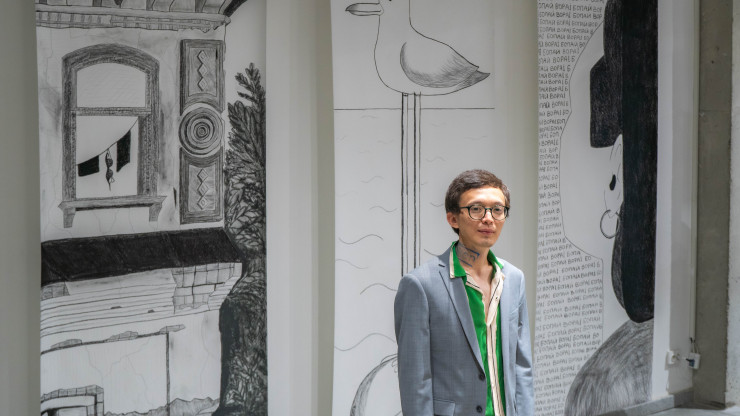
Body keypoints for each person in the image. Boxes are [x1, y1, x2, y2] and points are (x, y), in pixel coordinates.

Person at [394, 169, 534, 416]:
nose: (488, 218)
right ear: (453, 219)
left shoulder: (514, 279)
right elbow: (415, 383)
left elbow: (521, 368)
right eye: (476, 209)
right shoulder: (420, 285)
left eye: (497, 209)